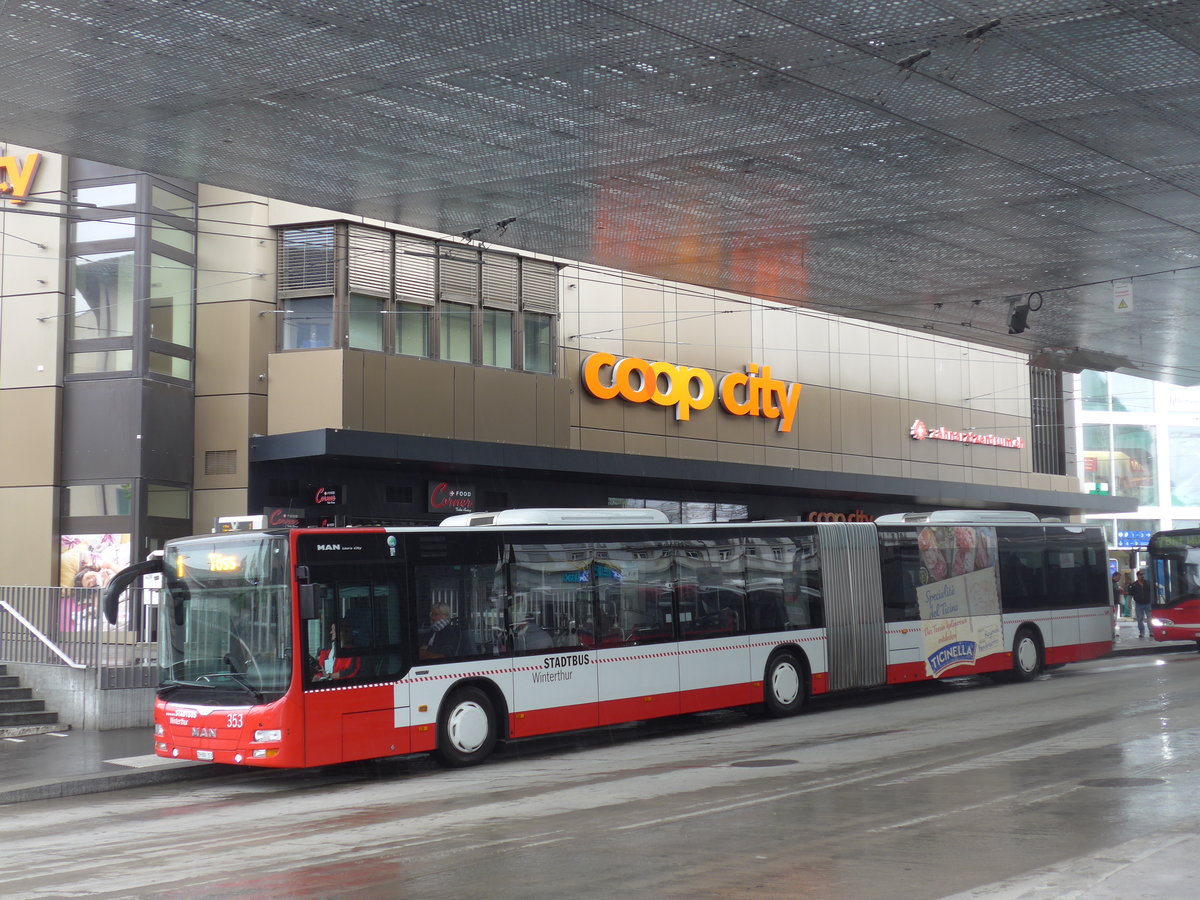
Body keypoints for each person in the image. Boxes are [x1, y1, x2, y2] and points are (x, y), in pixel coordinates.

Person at [1128, 569, 1153, 639]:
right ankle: (1142, 632)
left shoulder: (1148, 583)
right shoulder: (1134, 585)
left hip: (1148, 603)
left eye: (1143, 574)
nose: (1142, 576)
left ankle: (1151, 631)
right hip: (1139, 604)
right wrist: (1129, 603)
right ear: (1138, 576)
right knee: (1140, 619)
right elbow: (1130, 595)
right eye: (1141, 575)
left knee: (1150, 618)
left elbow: (1152, 592)